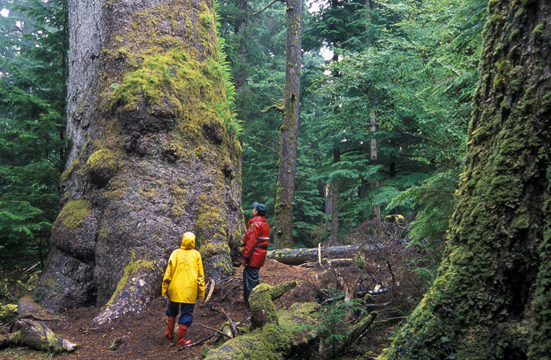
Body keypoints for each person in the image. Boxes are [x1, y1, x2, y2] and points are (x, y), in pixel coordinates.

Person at [162, 232, 205, 346]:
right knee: (186, 313)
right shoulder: (196, 255)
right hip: (190, 290)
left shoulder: (175, 253)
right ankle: (181, 341)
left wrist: (165, 290)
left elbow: (168, 273)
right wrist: (201, 293)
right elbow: (200, 276)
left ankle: (169, 334)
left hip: (174, 289)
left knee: (172, 310)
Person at [241, 202, 270, 306]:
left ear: (256, 212)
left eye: (254, 208)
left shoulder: (255, 225)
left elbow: (251, 243)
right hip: (259, 256)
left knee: (252, 281)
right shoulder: (265, 224)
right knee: (250, 277)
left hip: (254, 257)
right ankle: (250, 302)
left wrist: (245, 258)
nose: (252, 210)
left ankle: (254, 304)